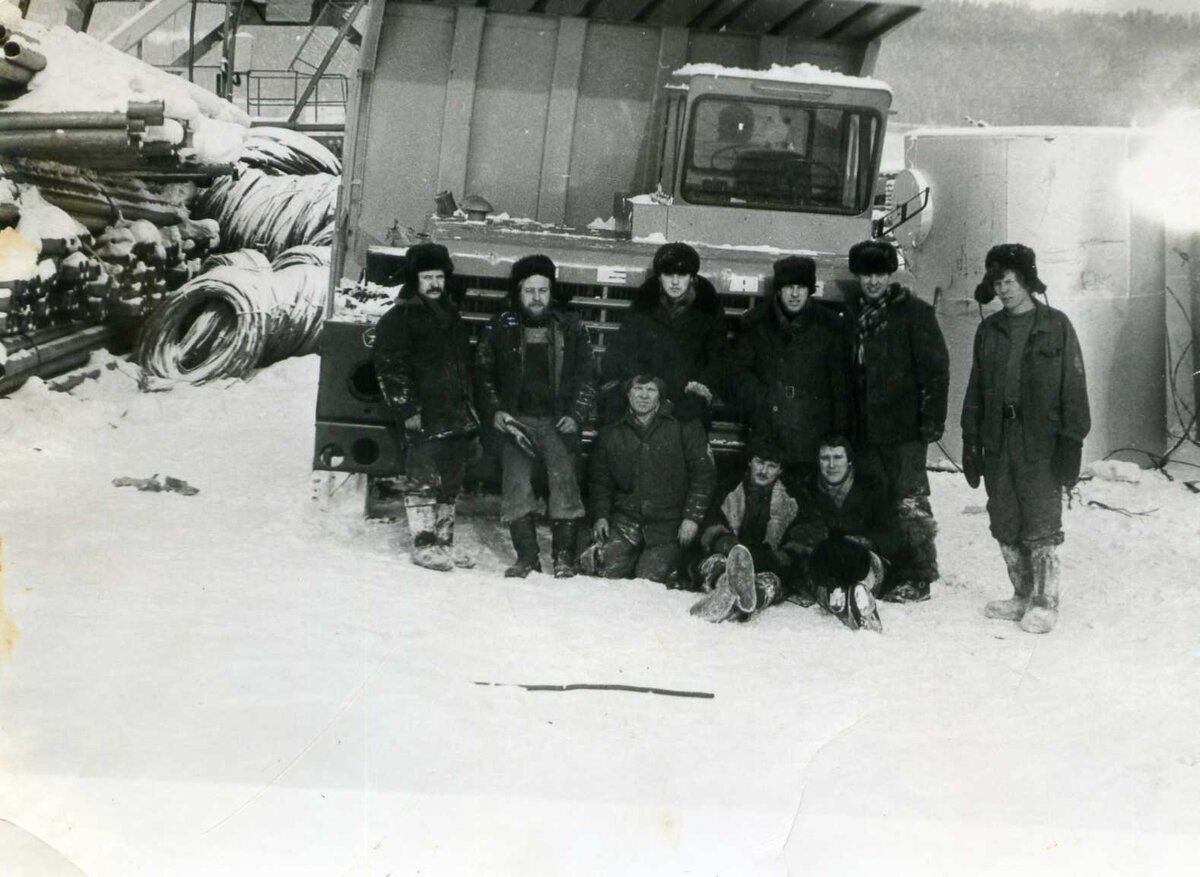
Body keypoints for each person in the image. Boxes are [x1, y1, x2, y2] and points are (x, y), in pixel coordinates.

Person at [961, 244, 1090, 634]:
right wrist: (971, 439)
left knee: (1041, 522)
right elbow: (976, 388)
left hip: (1041, 441)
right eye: (998, 282)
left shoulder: (1057, 325)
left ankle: (1045, 602)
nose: (1004, 289)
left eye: (1011, 281)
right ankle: (1021, 594)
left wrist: (1072, 441)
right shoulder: (989, 329)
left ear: (1028, 282)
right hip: (999, 438)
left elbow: (1075, 386)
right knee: (1005, 519)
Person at [475, 254, 594, 579]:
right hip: (517, 422)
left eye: (543, 290)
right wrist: (497, 410)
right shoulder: (500, 326)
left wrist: (576, 415)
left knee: (564, 480)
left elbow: (587, 375)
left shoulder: (570, 327)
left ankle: (564, 557)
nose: (537, 298)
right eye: (530, 291)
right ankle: (527, 556)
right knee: (516, 482)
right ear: (518, 292)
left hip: (557, 423)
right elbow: (483, 374)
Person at [843, 239, 950, 603]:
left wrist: (931, 420)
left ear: (891, 275)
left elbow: (936, 371)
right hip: (866, 429)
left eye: (880, 274)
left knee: (910, 503)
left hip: (904, 429)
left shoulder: (915, 314)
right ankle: (884, 569)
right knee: (875, 501)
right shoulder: (852, 315)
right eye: (866, 274)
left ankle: (919, 574)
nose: (873, 281)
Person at [373, 242, 480, 572]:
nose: (434, 283)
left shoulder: (450, 314)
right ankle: (424, 544)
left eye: (439, 276)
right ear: (414, 280)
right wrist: (407, 410)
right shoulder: (398, 319)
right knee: (423, 480)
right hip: (423, 415)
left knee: (450, 483)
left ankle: (444, 542)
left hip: (454, 414)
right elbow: (391, 368)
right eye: (427, 277)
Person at [731, 255, 849, 491]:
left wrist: (836, 432)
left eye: (801, 287)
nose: (794, 294)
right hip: (767, 427)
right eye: (788, 287)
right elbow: (738, 372)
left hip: (811, 430)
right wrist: (763, 399)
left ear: (810, 291)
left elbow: (840, 383)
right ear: (778, 290)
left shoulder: (830, 327)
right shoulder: (755, 324)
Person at [586, 374, 716, 584]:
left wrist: (691, 518)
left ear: (660, 396)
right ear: (628, 393)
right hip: (626, 522)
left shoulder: (683, 425)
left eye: (651, 390)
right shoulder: (612, 431)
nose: (644, 396)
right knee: (603, 570)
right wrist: (601, 515)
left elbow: (703, 475)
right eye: (638, 389)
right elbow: (601, 481)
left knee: (648, 579)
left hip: (668, 526)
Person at [600, 242, 727, 425]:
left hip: (686, 397)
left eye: (682, 275)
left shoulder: (707, 309)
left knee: (689, 425)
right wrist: (636, 386)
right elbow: (622, 350)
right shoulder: (644, 306)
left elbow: (718, 358)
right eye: (668, 275)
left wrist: (699, 393)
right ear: (659, 277)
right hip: (648, 392)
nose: (675, 282)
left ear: (692, 278)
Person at [686, 431, 802, 623]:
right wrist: (728, 545)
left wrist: (778, 557)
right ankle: (725, 585)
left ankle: (749, 599)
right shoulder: (730, 488)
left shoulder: (793, 498)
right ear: (750, 461)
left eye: (771, 466)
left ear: (780, 470)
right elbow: (712, 525)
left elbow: (803, 536)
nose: (763, 470)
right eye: (759, 462)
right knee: (714, 563)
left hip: (770, 562)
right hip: (732, 556)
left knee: (772, 582)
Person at [786, 434, 889, 631]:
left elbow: (889, 532)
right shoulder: (806, 490)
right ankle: (840, 598)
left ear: (849, 461)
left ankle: (859, 592)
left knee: (854, 558)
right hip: (825, 563)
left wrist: (865, 542)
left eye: (837, 457)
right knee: (822, 558)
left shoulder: (871, 488)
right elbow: (799, 530)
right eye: (825, 458)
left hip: (864, 559)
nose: (831, 465)